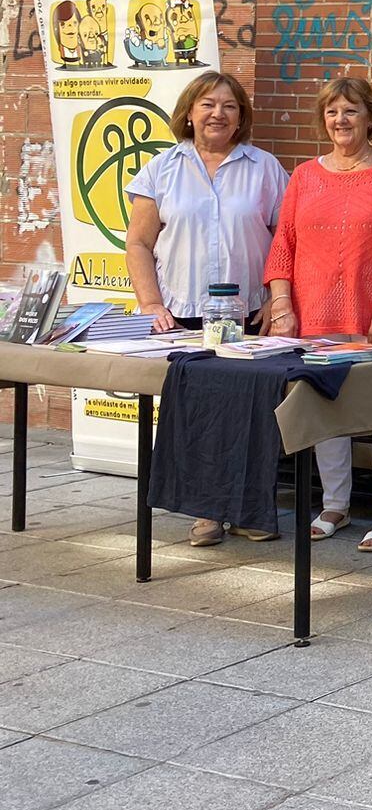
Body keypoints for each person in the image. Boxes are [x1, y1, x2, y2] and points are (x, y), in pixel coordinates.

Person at [264, 75, 372, 551]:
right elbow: (284, 247)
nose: (340, 120)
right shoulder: (303, 176)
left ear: (370, 118)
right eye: (333, 111)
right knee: (326, 407)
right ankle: (335, 504)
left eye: (351, 111)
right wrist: (282, 305)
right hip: (313, 312)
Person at [124, 71, 289, 546]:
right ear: (190, 113)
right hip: (183, 313)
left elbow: (286, 241)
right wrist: (151, 302)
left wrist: (278, 299)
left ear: (241, 118)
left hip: (249, 312)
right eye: (208, 105)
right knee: (196, 412)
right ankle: (206, 513)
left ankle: (250, 511)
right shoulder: (162, 169)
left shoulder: (265, 168)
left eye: (230, 107)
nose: (218, 114)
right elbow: (138, 243)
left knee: (253, 413)